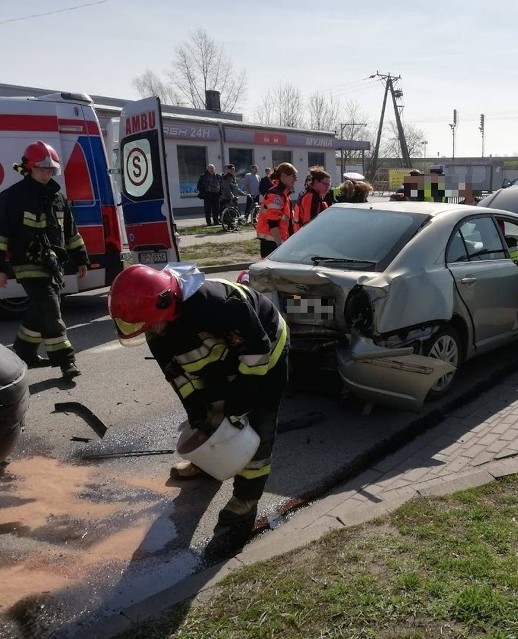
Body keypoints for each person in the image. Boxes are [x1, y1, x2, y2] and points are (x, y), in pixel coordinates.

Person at [107, 263, 289, 554]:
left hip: (264, 353)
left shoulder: (217, 304)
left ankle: (243, 506)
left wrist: (234, 407)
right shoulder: (157, 325)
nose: (150, 331)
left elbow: (256, 356)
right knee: (207, 418)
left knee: (257, 429)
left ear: (166, 304)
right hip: (222, 358)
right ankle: (208, 463)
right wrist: (200, 415)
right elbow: (179, 376)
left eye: (151, 324)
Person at [0, 141, 89, 380]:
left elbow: (70, 231)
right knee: (51, 307)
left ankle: (24, 351)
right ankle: (66, 361)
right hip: (27, 264)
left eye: (50, 169)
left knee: (40, 309)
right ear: (29, 168)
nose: (46, 173)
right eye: (41, 168)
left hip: (53, 264)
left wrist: (81, 258)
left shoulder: (58, 197)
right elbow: (1, 234)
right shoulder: (13, 197)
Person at [256, 162, 298, 258]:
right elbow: (273, 222)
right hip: (273, 242)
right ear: (283, 176)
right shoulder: (276, 195)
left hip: (276, 241)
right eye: (293, 176)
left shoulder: (283, 194)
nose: (295, 179)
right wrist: (279, 245)